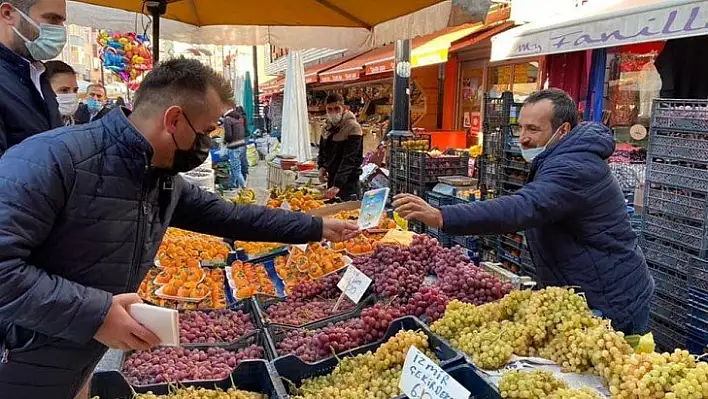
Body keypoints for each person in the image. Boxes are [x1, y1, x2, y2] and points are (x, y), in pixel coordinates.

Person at [0, 57, 359, 399]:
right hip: (16, 360)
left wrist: (316, 226)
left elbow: (231, 217)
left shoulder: (159, 179)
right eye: (205, 131)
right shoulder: (50, 159)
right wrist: (95, 314)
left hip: (74, 355)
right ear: (174, 120)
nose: (207, 143)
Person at [393, 89, 654, 335]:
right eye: (520, 128)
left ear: (563, 131)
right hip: (585, 286)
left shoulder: (575, 167)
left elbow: (525, 206)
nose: (523, 138)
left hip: (612, 297)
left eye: (533, 129)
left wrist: (443, 216)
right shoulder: (561, 157)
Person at [0, 0, 66, 156]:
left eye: (62, 22)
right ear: (8, 14)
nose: (61, 31)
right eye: (52, 19)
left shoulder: (37, 74)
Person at [317, 93, 363, 200]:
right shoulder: (326, 128)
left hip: (349, 183)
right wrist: (321, 167)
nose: (333, 112)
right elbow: (322, 153)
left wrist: (338, 184)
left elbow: (349, 159)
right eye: (330, 109)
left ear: (344, 108)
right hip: (332, 181)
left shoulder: (353, 127)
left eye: (337, 109)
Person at [45, 60, 79, 125]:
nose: (72, 96)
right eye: (64, 90)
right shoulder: (35, 127)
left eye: (75, 90)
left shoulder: (77, 125)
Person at [222, 107, 247, 188]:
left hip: (234, 147)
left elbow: (228, 135)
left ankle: (245, 189)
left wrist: (224, 141)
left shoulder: (227, 119)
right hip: (241, 145)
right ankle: (232, 184)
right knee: (235, 167)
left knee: (236, 170)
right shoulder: (237, 119)